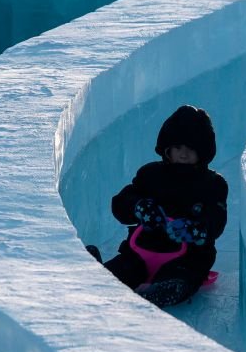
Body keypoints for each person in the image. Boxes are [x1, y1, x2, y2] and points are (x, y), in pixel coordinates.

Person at [93, 105, 228, 307]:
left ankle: (162, 291)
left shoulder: (213, 184)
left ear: (203, 151)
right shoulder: (150, 175)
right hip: (140, 251)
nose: (183, 154)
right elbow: (121, 202)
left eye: (190, 149)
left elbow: (216, 219)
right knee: (124, 269)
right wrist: (139, 208)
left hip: (188, 258)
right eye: (178, 148)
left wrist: (197, 229)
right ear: (167, 148)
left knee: (182, 277)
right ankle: (98, 278)